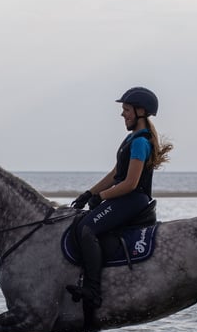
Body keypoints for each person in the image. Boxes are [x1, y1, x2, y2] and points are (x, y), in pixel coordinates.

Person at [67, 86, 173, 311]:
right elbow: (116, 174)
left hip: (133, 200)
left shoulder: (140, 142)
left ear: (140, 111)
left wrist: (101, 197)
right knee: (80, 223)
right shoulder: (130, 138)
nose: (122, 114)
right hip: (124, 198)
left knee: (86, 229)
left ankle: (93, 291)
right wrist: (89, 194)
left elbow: (130, 183)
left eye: (126, 109)